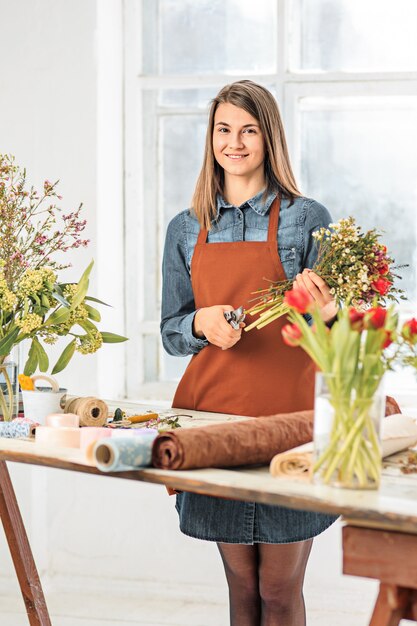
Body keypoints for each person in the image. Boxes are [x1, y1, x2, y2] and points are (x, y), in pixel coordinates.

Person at [160, 80, 338, 626]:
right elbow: (171, 331)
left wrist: (327, 314)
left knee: (280, 590)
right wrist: (201, 323)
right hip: (214, 421)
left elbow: (339, 340)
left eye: (248, 131)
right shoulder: (187, 228)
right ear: (210, 137)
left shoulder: (308, 218)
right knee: (241, 586)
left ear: (269, 138)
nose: (233, 143)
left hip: (290, 425)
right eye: (223, 130)